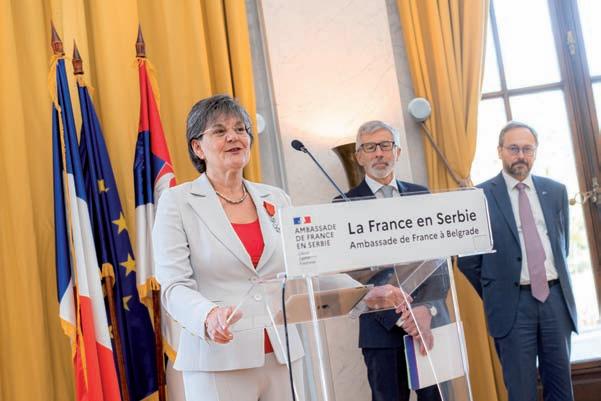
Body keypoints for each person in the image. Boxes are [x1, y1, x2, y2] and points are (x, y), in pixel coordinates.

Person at [153, 94, 304, 401]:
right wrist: (207, 315)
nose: (233, 137)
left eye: (240, 129)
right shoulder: (177, 202)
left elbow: (305, 266)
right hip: (217, 357)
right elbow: (173, 285)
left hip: (282, 353)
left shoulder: (276, 199)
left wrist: (363, 291)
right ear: (198, 148)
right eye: (220, 131)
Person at [458, 121, 577, 401]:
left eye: (527, 149)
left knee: (562, 389)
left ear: (535, 152)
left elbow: (562, 247)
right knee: (521, 391)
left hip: (555, 300)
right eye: (513, 149)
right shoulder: (478, 197)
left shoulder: (556, 191)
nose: (521, 155)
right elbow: (468, 262)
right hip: (512, 307)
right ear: (499, 151)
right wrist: (497, 289)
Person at [336, 120, 448, 401]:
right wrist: (395, 313)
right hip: (380, 331)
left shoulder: (421, 194)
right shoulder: (342, 204)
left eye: (385, 146)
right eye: (369, 148)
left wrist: (426, 309)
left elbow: (439, 260)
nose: (379, 153)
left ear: (397, 152)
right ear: (359, 157)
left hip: (426, 324)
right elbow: (349, 274)